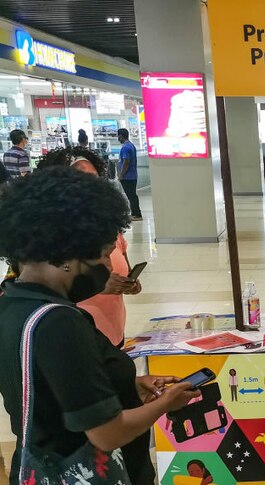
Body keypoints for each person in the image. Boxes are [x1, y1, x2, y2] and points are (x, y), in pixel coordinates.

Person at [0, 168, 199, 485]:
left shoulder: (12, 303)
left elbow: (54, 391)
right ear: (68, 252)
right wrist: (167, 402)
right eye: (105, 254)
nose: (108, 266)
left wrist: (128, 386)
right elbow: (108, 433)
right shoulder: (60, 323)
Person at [36, 147, 142, 347]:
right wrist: (97, 286)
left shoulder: (110, 227)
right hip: (73, 341)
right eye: (81, 179)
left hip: (113, 335)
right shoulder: (46, 235)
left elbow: (123, 269)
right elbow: (39, 288)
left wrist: (129, 284)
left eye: (95, 178)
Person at [118, 128, 142, 221]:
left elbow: (126, 162)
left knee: (131, 196)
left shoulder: (125, 147)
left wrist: (121, 175)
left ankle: (136, 214)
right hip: (133, 175)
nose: (118, 138)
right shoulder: (131, 145)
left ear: (121, 136)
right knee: (132, 195)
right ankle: (135, 213)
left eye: (118, 136)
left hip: (128, 177)